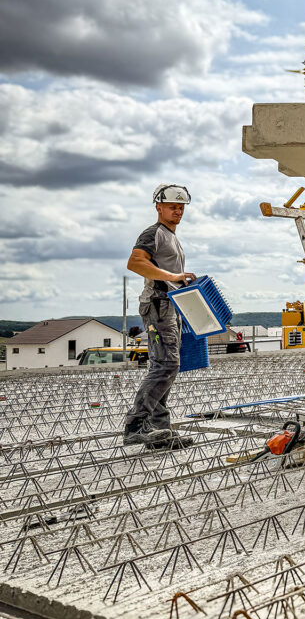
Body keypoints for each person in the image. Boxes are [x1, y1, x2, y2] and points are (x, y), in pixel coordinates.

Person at [123, 184, 197, 449]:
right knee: (165, 365)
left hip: (170, 304)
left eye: (181, 207)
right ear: (159, 207)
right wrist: (173, 277)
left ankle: (159, 433)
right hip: (158, 303)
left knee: (167, 366)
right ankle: (135, 425)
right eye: (172, 206)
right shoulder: (154, 232)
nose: (177, 211)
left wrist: (181, 284)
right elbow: (135, 262)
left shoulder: (170, 236)